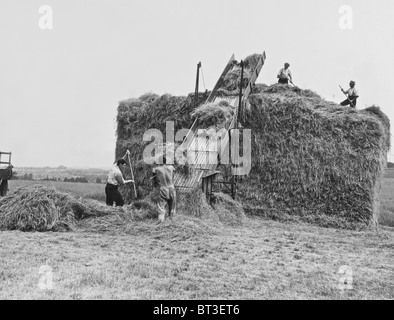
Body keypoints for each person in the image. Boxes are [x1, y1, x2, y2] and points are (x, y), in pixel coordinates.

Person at [152, 156, 176, 223]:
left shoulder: (156, 169)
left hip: (163, 188)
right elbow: (173, 176)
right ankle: (172, 222)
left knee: (161, 207)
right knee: (172, 207)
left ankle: (160, 221)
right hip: (171, 188)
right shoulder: (171, 167)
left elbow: (154, 180)